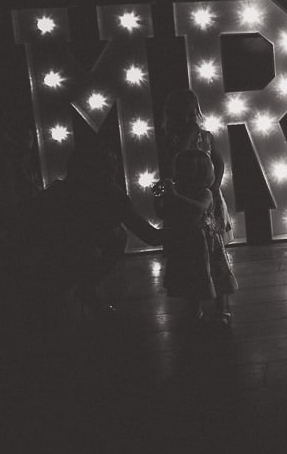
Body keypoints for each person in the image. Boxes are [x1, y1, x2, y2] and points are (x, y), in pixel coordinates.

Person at [17, 140, 159, 325]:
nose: (114, 172)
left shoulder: (61, 192)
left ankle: (83, 291)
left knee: (116, 236)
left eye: (114, 165)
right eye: (107, 167)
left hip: (48, 260)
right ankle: (77, 293)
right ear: (89, 171)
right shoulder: (105, 196)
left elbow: (148, 234)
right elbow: (148, 235)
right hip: (46, 263)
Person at [152, 149, 238, 326]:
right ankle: (194, 310)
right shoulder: (179, 193)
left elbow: (199, 208)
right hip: (185, 243)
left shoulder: (206, 193)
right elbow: (163, 214)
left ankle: (222, 310)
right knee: (189, 277)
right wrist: (159, 199)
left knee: (216, 276)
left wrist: (175, 197)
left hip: (206, 244)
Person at [161, 89, 233, 244]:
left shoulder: (207, 137)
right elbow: (173, 162)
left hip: (207, 191)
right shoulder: (171, 141)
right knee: (188, 235)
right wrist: (188, 136)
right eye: (182, 116)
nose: (188, 120)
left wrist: (215, 186)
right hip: (183, 194)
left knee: (212, 235)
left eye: (191, 115)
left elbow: (219, 162)